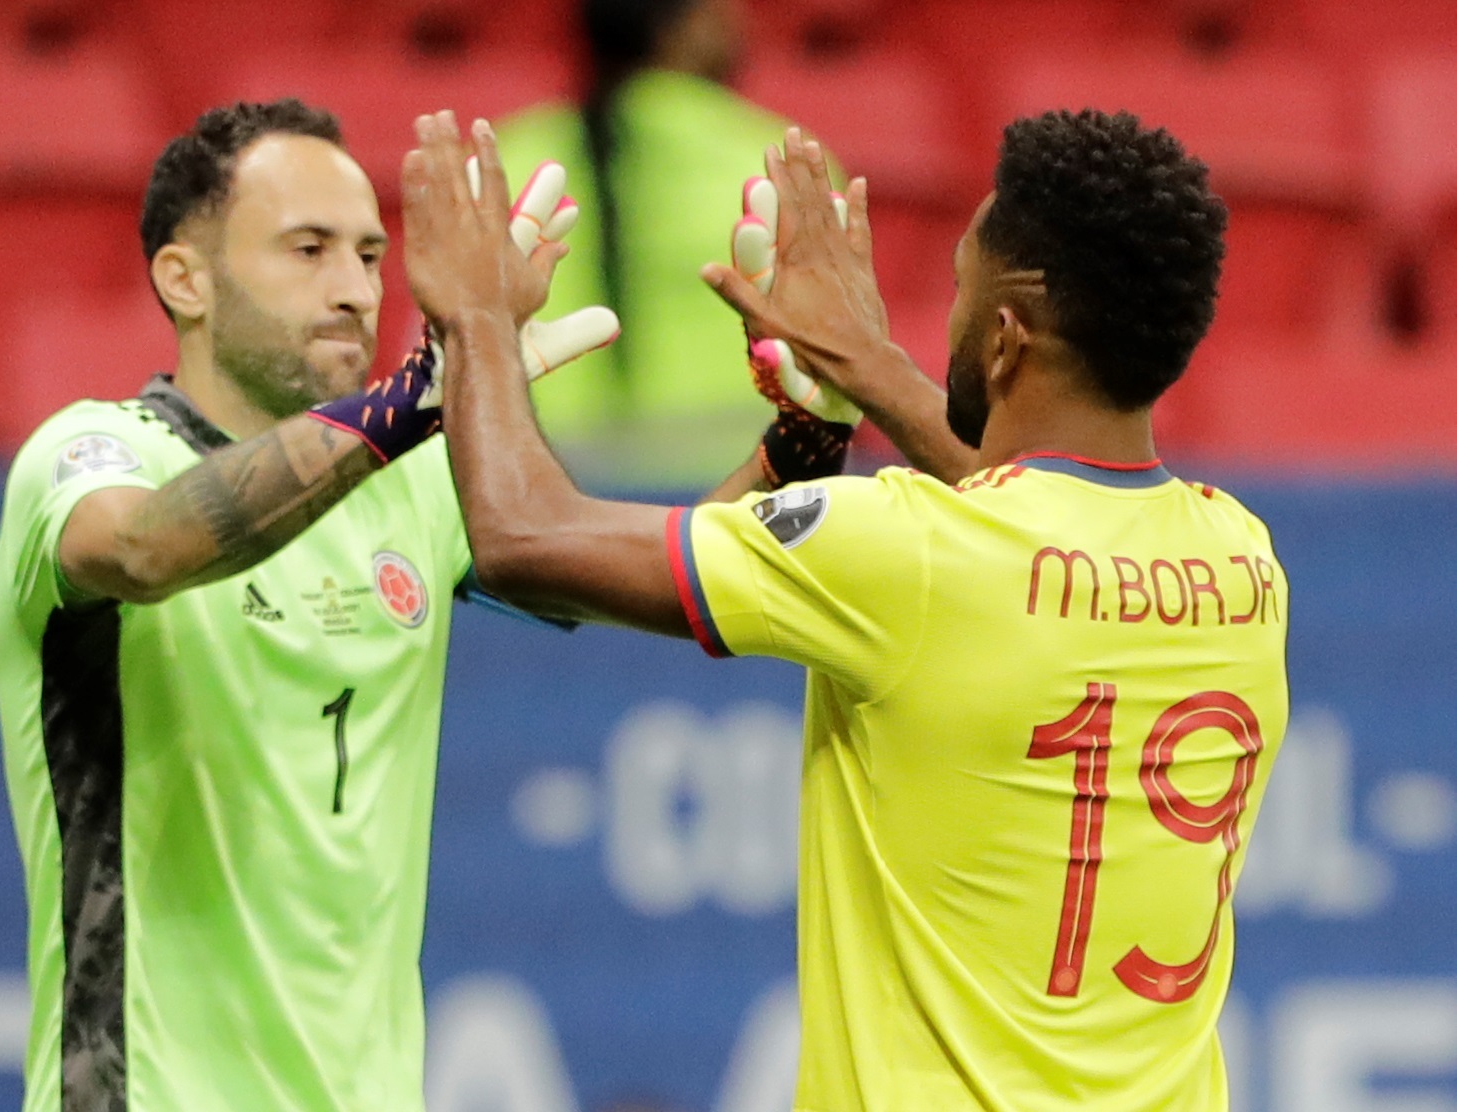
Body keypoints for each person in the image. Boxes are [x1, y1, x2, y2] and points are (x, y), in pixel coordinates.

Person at [0, 97, 857, 1111]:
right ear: (185, 279)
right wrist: (415, 399)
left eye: (367, 256)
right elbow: (139, 547)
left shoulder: (407, 481)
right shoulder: (93, 453)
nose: (354, 288)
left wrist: (794, 445)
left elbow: (649, 575)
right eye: (306, 249)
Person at [405, 109, 1289, 1110]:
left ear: (1003, 339)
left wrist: (475, 315)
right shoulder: (1242, 560)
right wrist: (862, 367)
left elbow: (522, 534)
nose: (947, 319)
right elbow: (1032, 527)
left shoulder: (905, 551)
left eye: (959, 290)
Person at [494, 0, 841, 486]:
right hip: (742, 483)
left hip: (548, 482)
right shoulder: (785, 160)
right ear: (688, 28)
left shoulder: (506, 158)